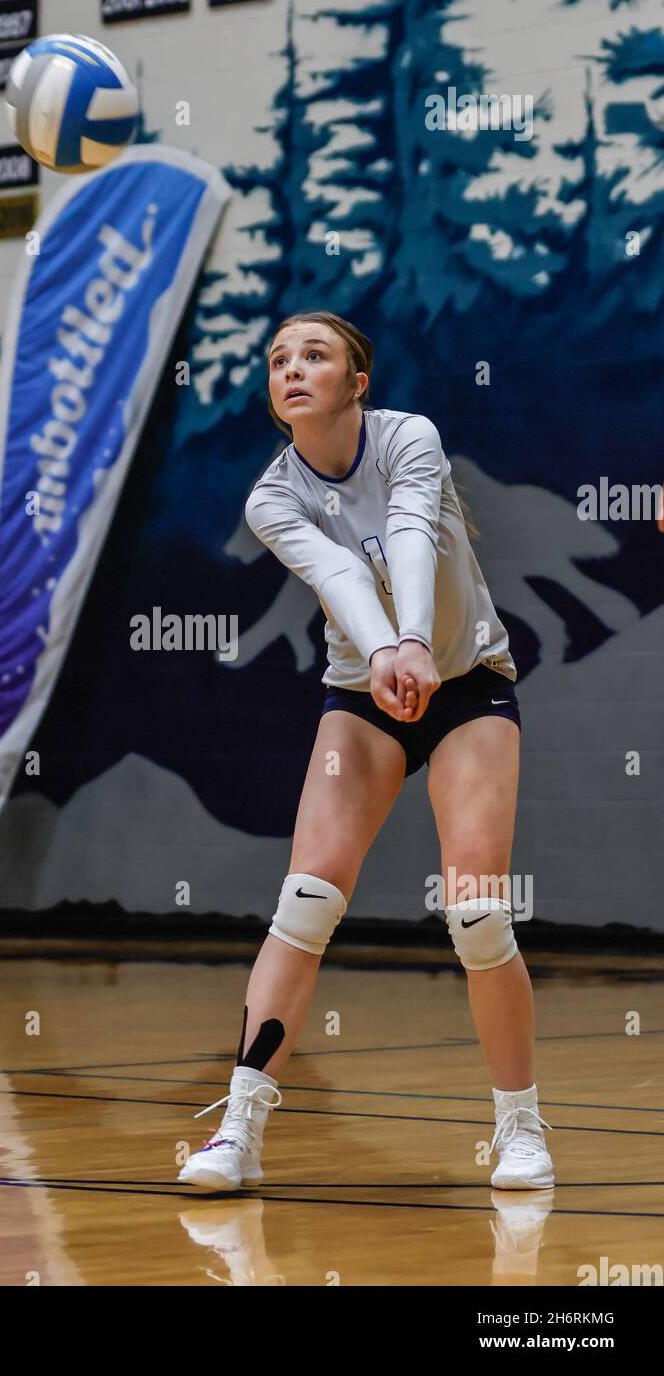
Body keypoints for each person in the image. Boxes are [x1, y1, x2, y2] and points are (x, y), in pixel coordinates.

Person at [178, 314, 554, 1193]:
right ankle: (237, 1134)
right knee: (306, 901)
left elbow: (413, 529)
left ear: (358, 382)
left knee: (479, 916)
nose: (292, 369)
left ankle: (522, 1129)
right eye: (277, 361)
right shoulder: (271, 497)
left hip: (465, 681)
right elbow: (340, 576)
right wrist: (386, 653)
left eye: (315, 355)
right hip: (364, 691)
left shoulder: (408, 439)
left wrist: (416, 642)